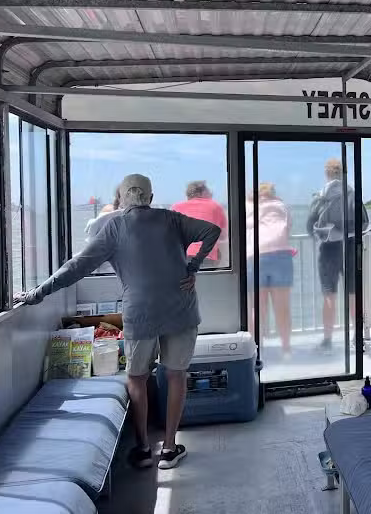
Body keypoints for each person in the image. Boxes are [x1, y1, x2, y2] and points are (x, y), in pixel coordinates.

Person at [15, 174, 221, 471]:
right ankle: (169, 448)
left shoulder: (113, 227)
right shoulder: (172, 220)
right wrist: (193, 266)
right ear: (151, 198)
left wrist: (37, 293)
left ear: (122, 200)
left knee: (136, 378)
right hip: (181, 309)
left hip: (140, 313)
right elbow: (212, 230)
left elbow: (76, 267)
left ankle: (143, 448)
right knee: (176, 375)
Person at [307, 158, 368, 353]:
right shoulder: (353, 194)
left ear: (326, 173)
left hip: (328, 250)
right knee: (353, 295)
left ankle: (327, 340)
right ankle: (357, 338)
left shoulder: (321, 196)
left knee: (329, 296)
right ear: (343, 174)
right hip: (350, 248)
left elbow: (310, 226)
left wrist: (327, 232)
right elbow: (364, 223)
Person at [245, 182, 294, 359]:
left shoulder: (249, 206)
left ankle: (256, 349)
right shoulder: (281, 206)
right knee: (282, 308)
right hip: (281, 255)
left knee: (257, 308)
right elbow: (288, 228)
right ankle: (286, 350)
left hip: (255, 256)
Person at [172, 180, 228, 267]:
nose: (211, 194)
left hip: (180, 256)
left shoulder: (176, 207)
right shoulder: (215, 206)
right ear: (202, 193)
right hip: (205, 256)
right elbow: (223, 234)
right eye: (208, 191)